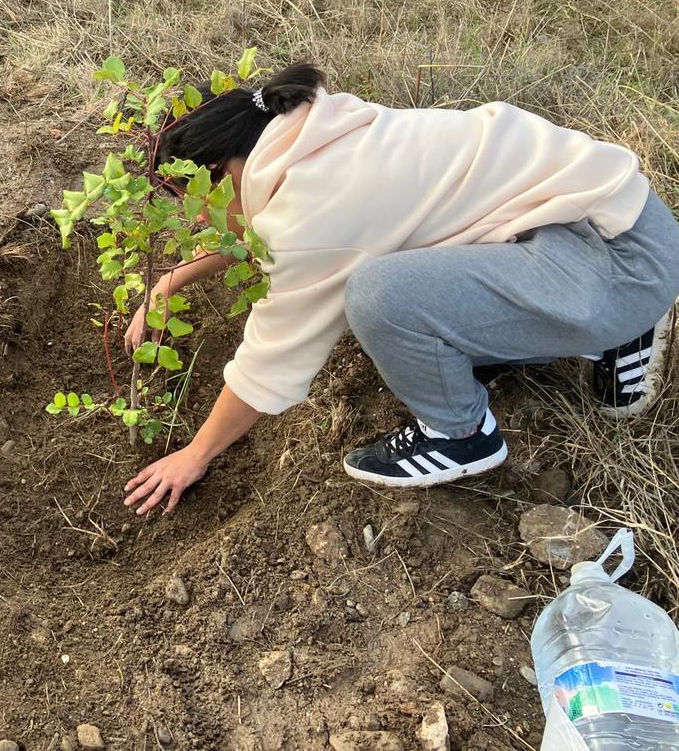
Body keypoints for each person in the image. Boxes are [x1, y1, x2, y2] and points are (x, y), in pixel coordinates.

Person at [122, 63, 679, 515]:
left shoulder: (308, 214)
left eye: (194, 201)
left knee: (378, 297)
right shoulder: (311, 131)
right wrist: (171, 281)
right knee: (407, 297)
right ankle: (613, 326)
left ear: (221, 172)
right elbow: (259, 224)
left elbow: (271, 362)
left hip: (619, 265)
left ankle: (461, 435)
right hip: (611, 223)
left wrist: (194, 455)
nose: (199, 223)